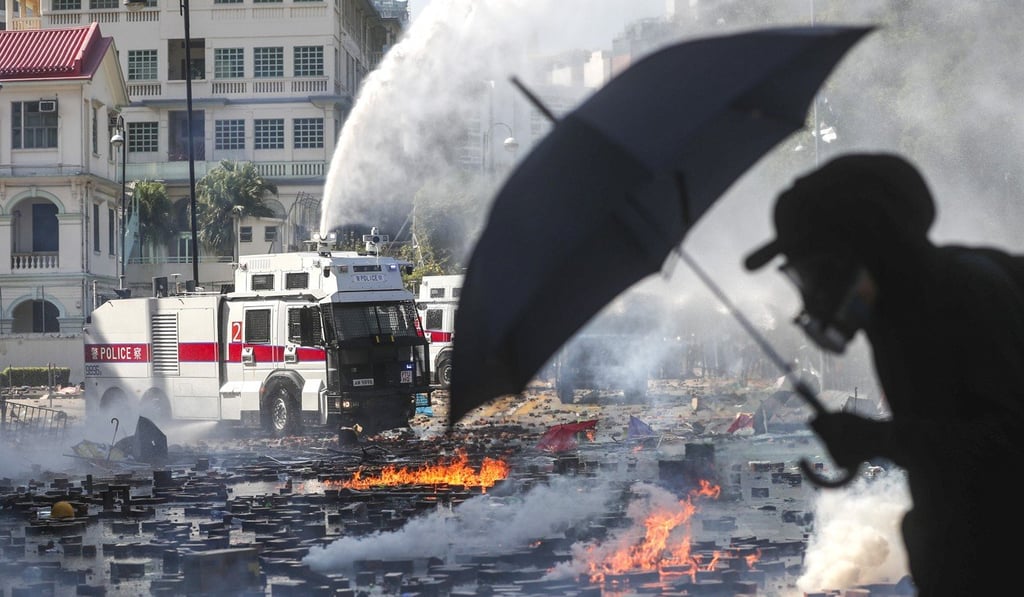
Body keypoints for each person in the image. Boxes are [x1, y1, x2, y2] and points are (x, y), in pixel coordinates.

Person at [743, 153, 1024, 594]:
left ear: (870, 248)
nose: (813, 292)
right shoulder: (898, 315)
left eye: (819, 270)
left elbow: (1008, 442)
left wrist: (878, 439)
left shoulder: (965, 297)